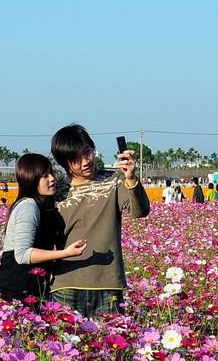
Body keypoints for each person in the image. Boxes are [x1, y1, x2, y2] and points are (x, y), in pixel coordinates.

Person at [46, 123, 149, 317]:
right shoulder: (56, 191)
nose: (85, 161)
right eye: (75, 159)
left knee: (112, 345)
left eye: (88, 152)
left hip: (107, 282)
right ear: (63, 163)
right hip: (65, 285)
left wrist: (132, 178)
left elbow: (139, 212)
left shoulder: (115, 180)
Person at [0, 153, 86, 303]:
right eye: (45, 176)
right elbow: (23, 255)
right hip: (17, 291)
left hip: (31, 287)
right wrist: (65, 253)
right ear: (31, 178)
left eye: (51, 173)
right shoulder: (28, 206)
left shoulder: (43, 205)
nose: (52, 178)